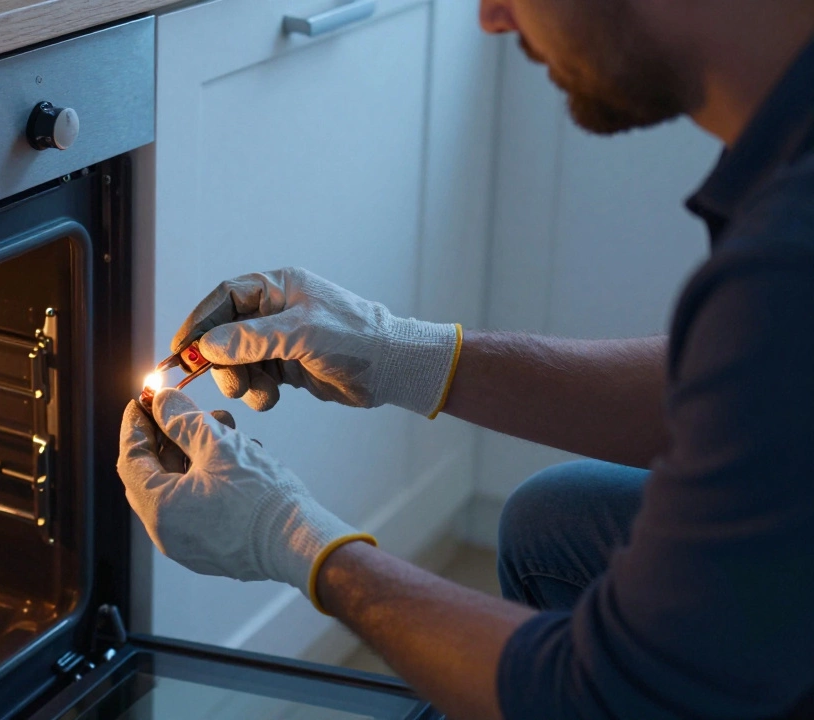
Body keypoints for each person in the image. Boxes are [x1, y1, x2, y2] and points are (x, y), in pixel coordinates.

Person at [115, 0, 814, 717]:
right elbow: (746, 398)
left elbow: (601, 695)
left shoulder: (787, 259)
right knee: (555, 524)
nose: (491, 17)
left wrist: (289, 536)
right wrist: (395, 351)